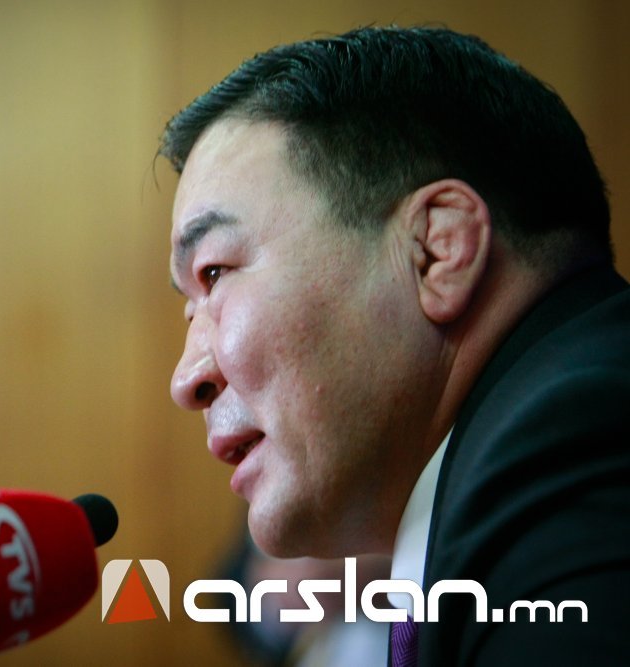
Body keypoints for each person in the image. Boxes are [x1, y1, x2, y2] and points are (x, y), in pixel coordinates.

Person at [159, 26, 630, 665]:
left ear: (435, 249)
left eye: (214, 273)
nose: (186, 380)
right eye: (190, 306)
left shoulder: (581, 442)